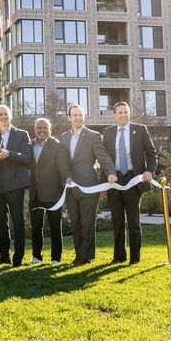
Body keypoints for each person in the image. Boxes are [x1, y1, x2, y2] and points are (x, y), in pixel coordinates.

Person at [59, 104, 115, 266]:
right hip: (70, 188)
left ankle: (87, 256)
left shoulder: (93, 136)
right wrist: (66, 177)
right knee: (75, 222)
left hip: (89, 187)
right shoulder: (63, 137)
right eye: (75, 115)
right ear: (69, 118)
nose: (78, 118)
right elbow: (62, 162)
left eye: (81, 115)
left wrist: (110, 172)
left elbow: (103, 157)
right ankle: (78, 255)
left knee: (87, 222)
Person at [102, 101, 158, 265]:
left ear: (129, 113)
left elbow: (152, 153)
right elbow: (104, 160)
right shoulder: (108, 132)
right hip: (114, 179)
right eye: (120, 112)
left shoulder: (140, 130)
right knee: (117, 221)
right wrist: (103, 184)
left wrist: (149, 171)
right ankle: (119, 256)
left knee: (133, 221)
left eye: (126, 112)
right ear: (115, 115)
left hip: (133, 179)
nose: (123, 115)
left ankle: (135, 258)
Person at [0, 104, 31, 267]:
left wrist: (9, 154)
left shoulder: (22, 135)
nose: (3, 117)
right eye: (0, 115)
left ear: (10, 115)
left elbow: (27, 158)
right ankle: (4, 256)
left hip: (16, 185)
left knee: (17, 221)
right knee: (1, 222)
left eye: (5, 114)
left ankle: (18, 257)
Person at [28, 117, 70, 265]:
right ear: (34, 130)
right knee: (36, 227)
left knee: (54, 227)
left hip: (53, 193)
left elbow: (62, 167)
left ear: (50, 129)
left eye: (45, 127)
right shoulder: (30, 145)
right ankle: (36, 256)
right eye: (39, 127)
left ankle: (56, 258)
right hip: (35, 194)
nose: (42, 130)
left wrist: (67, 178)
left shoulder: (57, 145)